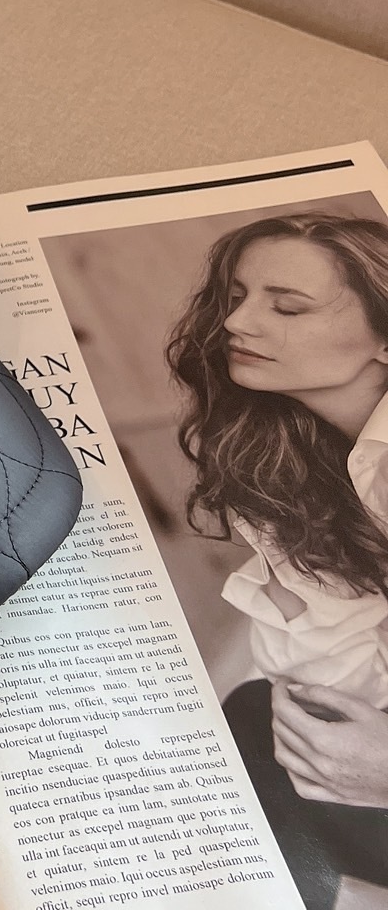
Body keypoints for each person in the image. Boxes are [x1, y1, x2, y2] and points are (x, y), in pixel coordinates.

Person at [166, 211, 388, 909]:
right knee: (251, 719)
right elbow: (322, 674)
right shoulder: (315, 460)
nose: (237, 323)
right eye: (237, 298)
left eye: (288, 307)